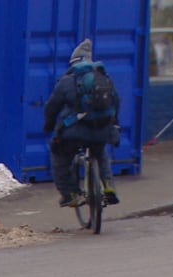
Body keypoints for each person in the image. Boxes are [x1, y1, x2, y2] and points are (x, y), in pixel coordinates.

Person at [44, 38, 121, 207]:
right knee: (100, 154)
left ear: (73, 62)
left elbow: (52, 107)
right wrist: (113, 127)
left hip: (74, 133)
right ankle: (109, 187)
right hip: (102, 130)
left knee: (59, 157)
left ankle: (69, 194)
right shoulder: (104, 78)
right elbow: (116, 103)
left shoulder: (67, 81)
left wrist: (48, 126)